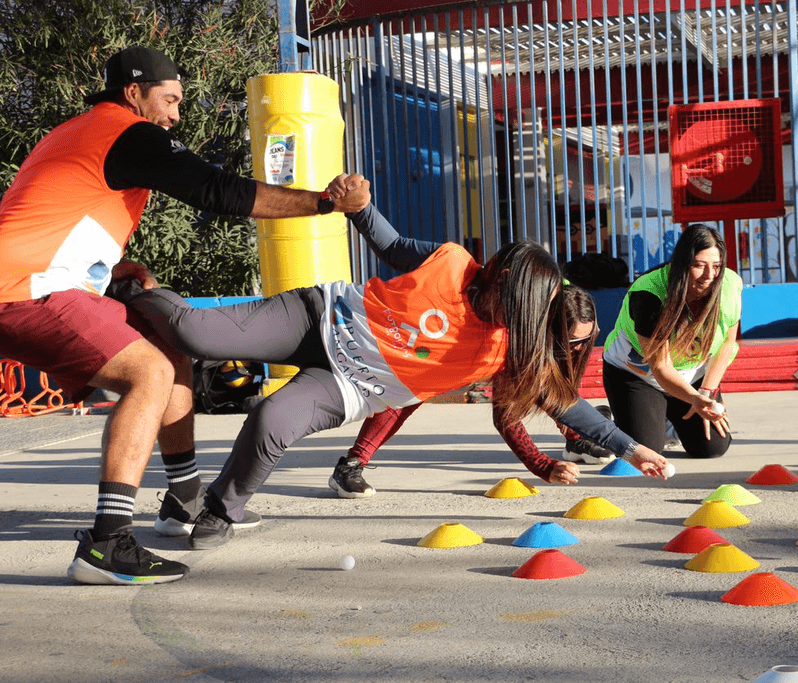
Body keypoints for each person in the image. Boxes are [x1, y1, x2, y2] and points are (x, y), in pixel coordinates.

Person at [119, 181, 669, 552]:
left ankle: (222, 507)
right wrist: (358, 203)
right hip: (319, 317)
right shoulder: (452, 261)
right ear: (502, 277)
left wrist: (631, 447)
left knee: (271, 421)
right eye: (522, 301)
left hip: (348, 385)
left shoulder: (506, 348)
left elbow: (565, 402)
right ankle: (136, 288)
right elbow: (393, 243)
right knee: (194, 333)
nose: (521, 315)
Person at [0, 46, 367, 586]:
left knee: (170, 348)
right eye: (169, 99)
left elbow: (45, 217)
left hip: (35, 280)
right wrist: (324, 203)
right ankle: (106, 544)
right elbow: (217, 191)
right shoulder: (127, 132)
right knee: (145, 374)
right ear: (134, 93)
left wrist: (117, 267)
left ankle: (184, 500)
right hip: (25, 290)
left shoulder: (78, 132)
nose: (175, 114)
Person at [330, 285, 617, 498]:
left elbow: (563, 385)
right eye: (574, 340)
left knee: (555, 377)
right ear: (548, 328)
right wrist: (540, 464)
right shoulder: (515, 332)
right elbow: (505, 417)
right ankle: (351, 465)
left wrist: (576, 429)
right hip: (446, 336)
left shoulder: (572, 309)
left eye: (587, 338)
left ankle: (575, 441)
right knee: (410, 392)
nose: (581, 346)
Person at [601, 223, 741, 457]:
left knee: (711, 448)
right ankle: (601, 420)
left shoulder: (729, 284)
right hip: (637, 374)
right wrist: (694, 399)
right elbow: (661, 366)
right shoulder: (649, 294)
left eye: (716, 266)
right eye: (699, 265)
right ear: (682, 263)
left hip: (690, 375)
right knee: (646, 451)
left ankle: (667, 421)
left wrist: (705, 394)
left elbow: (727, 344)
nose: (709, 276)